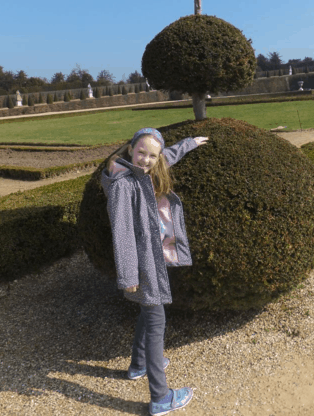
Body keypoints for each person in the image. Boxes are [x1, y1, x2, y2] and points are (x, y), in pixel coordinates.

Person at [101, 127, 209, 415]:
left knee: (148, 312)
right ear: (130, 149)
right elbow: (122, 234)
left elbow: (165, 156)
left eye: (152, 156)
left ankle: (138, 365)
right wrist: (128, 276)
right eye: (141, 153)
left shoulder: (140, 170)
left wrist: (189, 144)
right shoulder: (123, 184)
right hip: (142, 263)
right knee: (156, 320)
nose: (146, 160)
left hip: (150, 257)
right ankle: (161, 397)